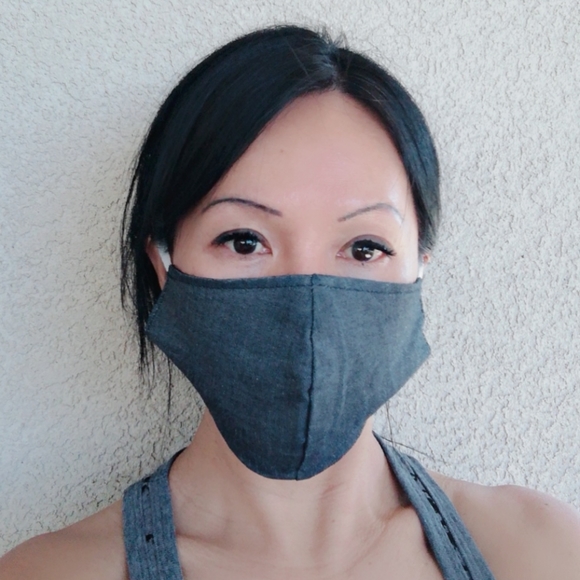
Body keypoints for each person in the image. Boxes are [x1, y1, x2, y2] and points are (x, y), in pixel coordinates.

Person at [1, 24, 579, 580]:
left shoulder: (545, 551)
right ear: (163, 265)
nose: (307, 302)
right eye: (244, 241)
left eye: (364, 247)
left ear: (419, 270)